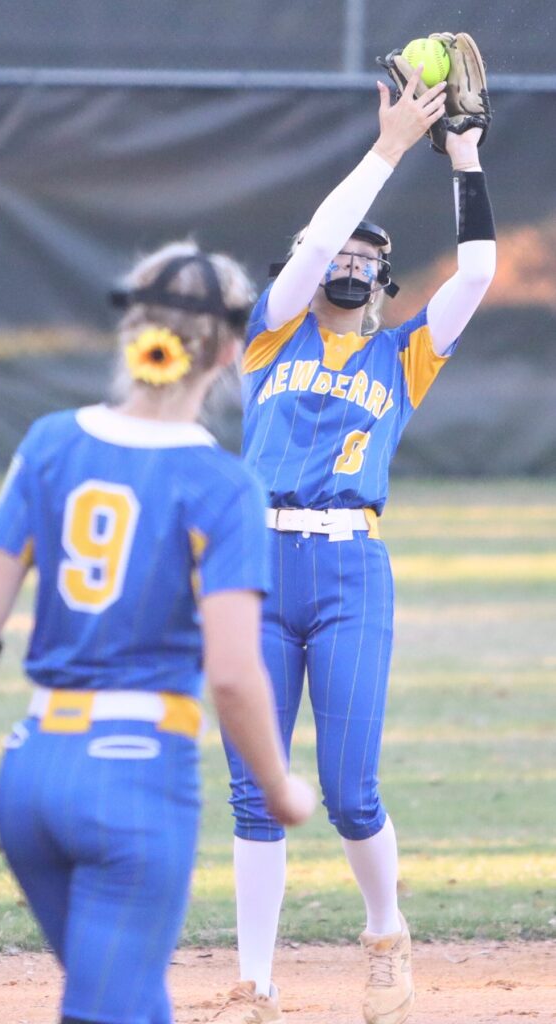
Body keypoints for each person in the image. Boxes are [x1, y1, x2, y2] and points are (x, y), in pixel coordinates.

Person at [0, 241, 316, 1024]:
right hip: (134, 781)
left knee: (120, 999)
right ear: (234, 349)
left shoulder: (48, 442)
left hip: (30, 772)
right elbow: (235, 676)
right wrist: (279, 789)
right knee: (113, 1004)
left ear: (131, 329)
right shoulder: (222, 484)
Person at [218, 67, 496, 1024]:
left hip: (349, 570)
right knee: (255, 790)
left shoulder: (402, 355)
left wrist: (461, 160)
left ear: (383, 280)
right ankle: (254, 986)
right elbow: (311, 245)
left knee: (347, 790)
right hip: (253, 567)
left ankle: (384, 933)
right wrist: (383, 151)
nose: (351, 258)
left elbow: (480, 274)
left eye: (370, 253)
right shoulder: (268, 333)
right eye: (342, 246)